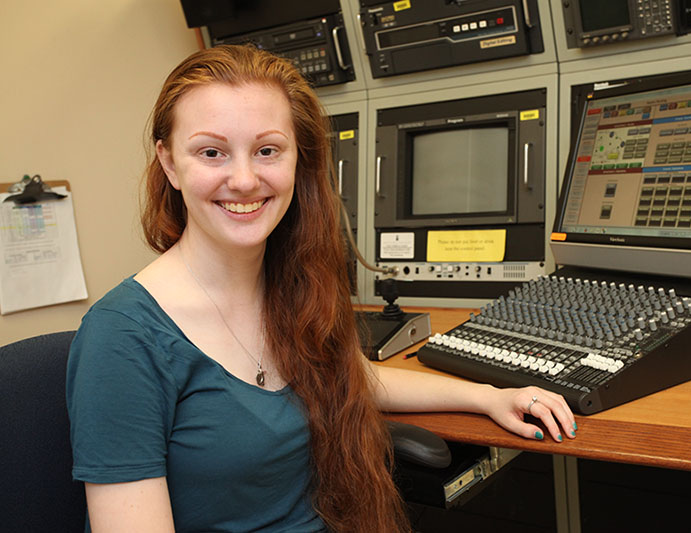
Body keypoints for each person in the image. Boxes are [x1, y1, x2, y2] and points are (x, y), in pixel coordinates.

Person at [66, 44, 577, 533]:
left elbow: (350, 376)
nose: (244, 180)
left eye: (267, 150)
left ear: (297, 160)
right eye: (212, 152)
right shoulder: (121, 340)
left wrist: (488, 397)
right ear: (170, 163)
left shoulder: (288, 288)